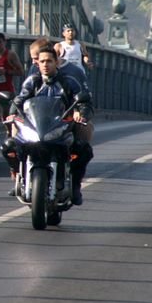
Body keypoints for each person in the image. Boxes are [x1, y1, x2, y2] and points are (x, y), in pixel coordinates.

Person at [12, 46, 93, 205]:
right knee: (9, 146)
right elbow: (18, 101)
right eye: (42, 61)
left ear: (57, 62)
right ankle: (18, 176)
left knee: (83, 150)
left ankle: (75, 186)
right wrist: (13, 112)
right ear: (37, 63)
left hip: (61, 127)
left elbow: (84, 102)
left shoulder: (69, 82)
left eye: (49, 61)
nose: (45, 64)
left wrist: (79, 112)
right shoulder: (32, 82)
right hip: (36, 127)